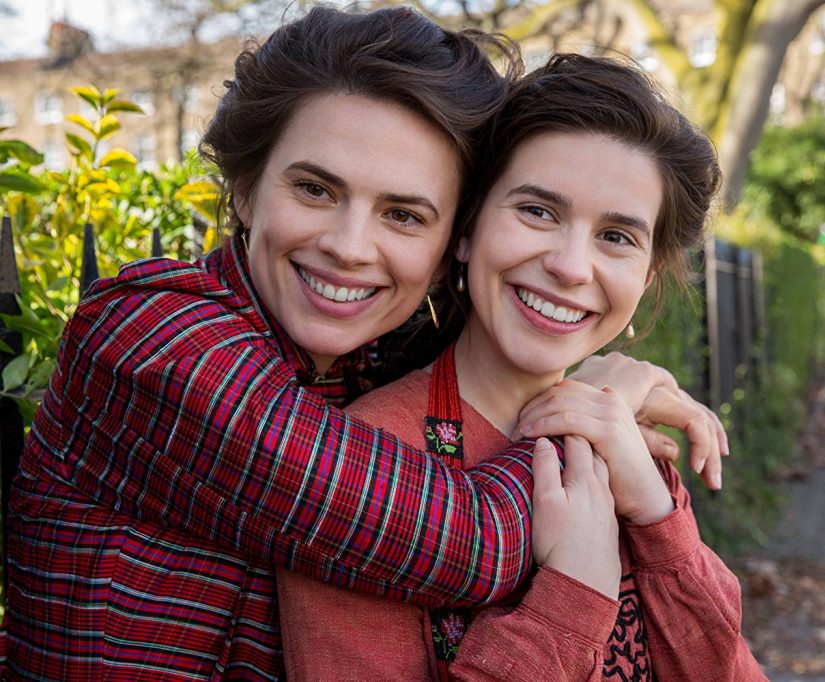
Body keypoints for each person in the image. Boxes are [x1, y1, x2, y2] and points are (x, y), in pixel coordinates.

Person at [0, 7, 727, 681]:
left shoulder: (365, 362)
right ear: (246, 188)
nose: (351, 247)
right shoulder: (151, 338)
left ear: (451, 242)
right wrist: (595, 416)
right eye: (315, 190)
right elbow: (464, 542)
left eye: (405, 215)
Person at [278, 54, 764, 680]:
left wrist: (654, 516)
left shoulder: (629, 445)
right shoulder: (366, 459)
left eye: (617, 236)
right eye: (538, 211)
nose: (569, 265)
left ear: (645, 279)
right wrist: (570, 603)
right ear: (465, 230)